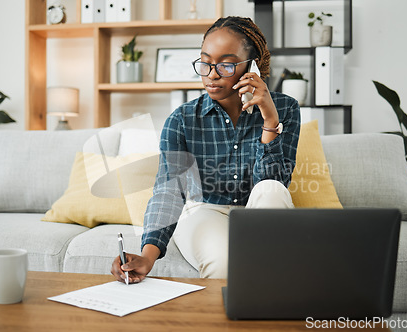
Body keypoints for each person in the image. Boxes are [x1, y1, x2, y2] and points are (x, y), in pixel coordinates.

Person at [111, 16, 300, 282]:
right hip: (203, 210)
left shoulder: (286, 109)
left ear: (253, 66)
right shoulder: (181, 119)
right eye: (206, 63)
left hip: (260, 209)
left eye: (225, 64)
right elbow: (168, 191)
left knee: (271, 189)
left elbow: (275, 182)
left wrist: (270, 120)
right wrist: (148, 255)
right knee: (223, 261)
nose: (211, 74)